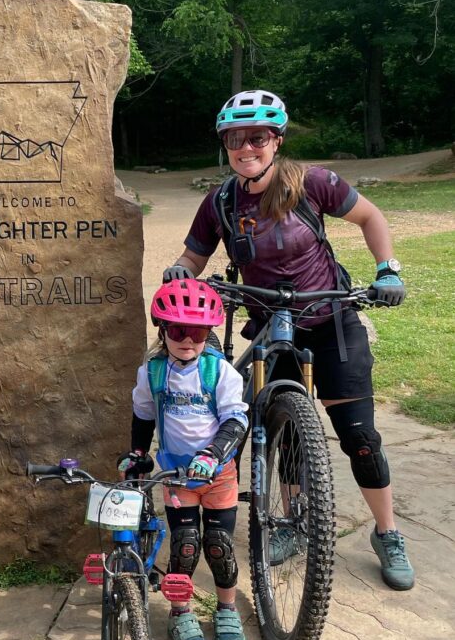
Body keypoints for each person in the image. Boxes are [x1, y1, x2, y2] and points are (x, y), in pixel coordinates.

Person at [164, 88, 413, 590]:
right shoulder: (220, 203)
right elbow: (194, 257)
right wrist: (179, 271)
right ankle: (292, 520)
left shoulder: (312, 183)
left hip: (330, 322)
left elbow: (371, 216)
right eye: (235, 138)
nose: (245, 147)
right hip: (269, 326)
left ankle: (387, 533)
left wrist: (387, 270)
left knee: (360, 438)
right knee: (283, 431)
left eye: (256, 137)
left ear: (276, 140)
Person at [120, 278, 249, 640]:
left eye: (197, 331)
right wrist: (139, 453)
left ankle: (226, 609)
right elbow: (143, 416)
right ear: (163, 329)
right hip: (177, 477)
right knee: (185, 546)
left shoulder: (219, 372)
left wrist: (213, 453)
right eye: (179, 330)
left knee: (219, 546)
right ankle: (181, 611)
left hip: (218, 474)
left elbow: (236, 420)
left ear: (208, 332)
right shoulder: (153, 373)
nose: (188, 340)